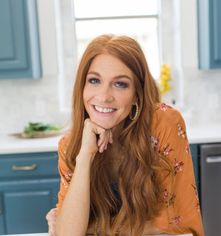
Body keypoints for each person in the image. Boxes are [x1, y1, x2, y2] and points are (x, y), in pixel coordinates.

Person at [46, 34, 204, 236]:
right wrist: (85, 156)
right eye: (94, 80)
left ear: (137, 93)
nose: (104, 96)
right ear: (82, 87)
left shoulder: (163, 123)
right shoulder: (71, 144)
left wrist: (92, 226)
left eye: (120, 84)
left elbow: (175, 225)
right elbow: (66, 234)